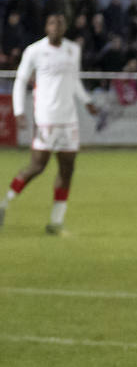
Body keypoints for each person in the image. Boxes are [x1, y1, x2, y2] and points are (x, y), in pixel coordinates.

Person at [1, 14, 100, 234]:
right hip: (46, 118)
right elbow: (20, 81)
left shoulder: (73, 49)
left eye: (60, 23)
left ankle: (56, 222)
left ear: (65, 27)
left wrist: (87, 101)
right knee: (37, 166)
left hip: (69, 120)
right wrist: (18, 111)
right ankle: (4, 203)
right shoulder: (34, 51)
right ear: (46, 27)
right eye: (52, 23)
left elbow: (74, 80)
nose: (56, 27)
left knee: (68, 169)